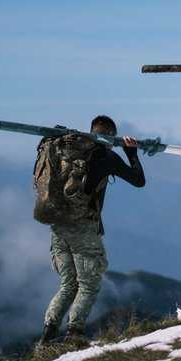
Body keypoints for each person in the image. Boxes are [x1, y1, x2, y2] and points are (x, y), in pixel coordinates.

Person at [40, 115, 146, 343]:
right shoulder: (106, 156)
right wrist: (132, 154)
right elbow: (139, 180)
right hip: (83, 227)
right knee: (88, 284)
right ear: (110, 136)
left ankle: (46, 338)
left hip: (58, 224)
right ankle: (74, 335)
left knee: (68, 284)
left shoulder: (64, 150)